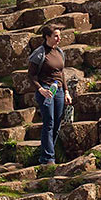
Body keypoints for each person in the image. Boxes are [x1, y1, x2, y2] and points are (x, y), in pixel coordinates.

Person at [28, 24, 72, 165]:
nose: (59, 38)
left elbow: (61, 73)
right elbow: (31, 75)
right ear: (47, 37)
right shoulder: (39, 53)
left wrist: (66, 91)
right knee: (49, 123)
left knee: (57, 123)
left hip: (58, 90)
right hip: (46, 91)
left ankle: (47, 152)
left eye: (60, 35)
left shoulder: (59, 52)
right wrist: (40, 89)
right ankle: (48, 158)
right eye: (56, 36)